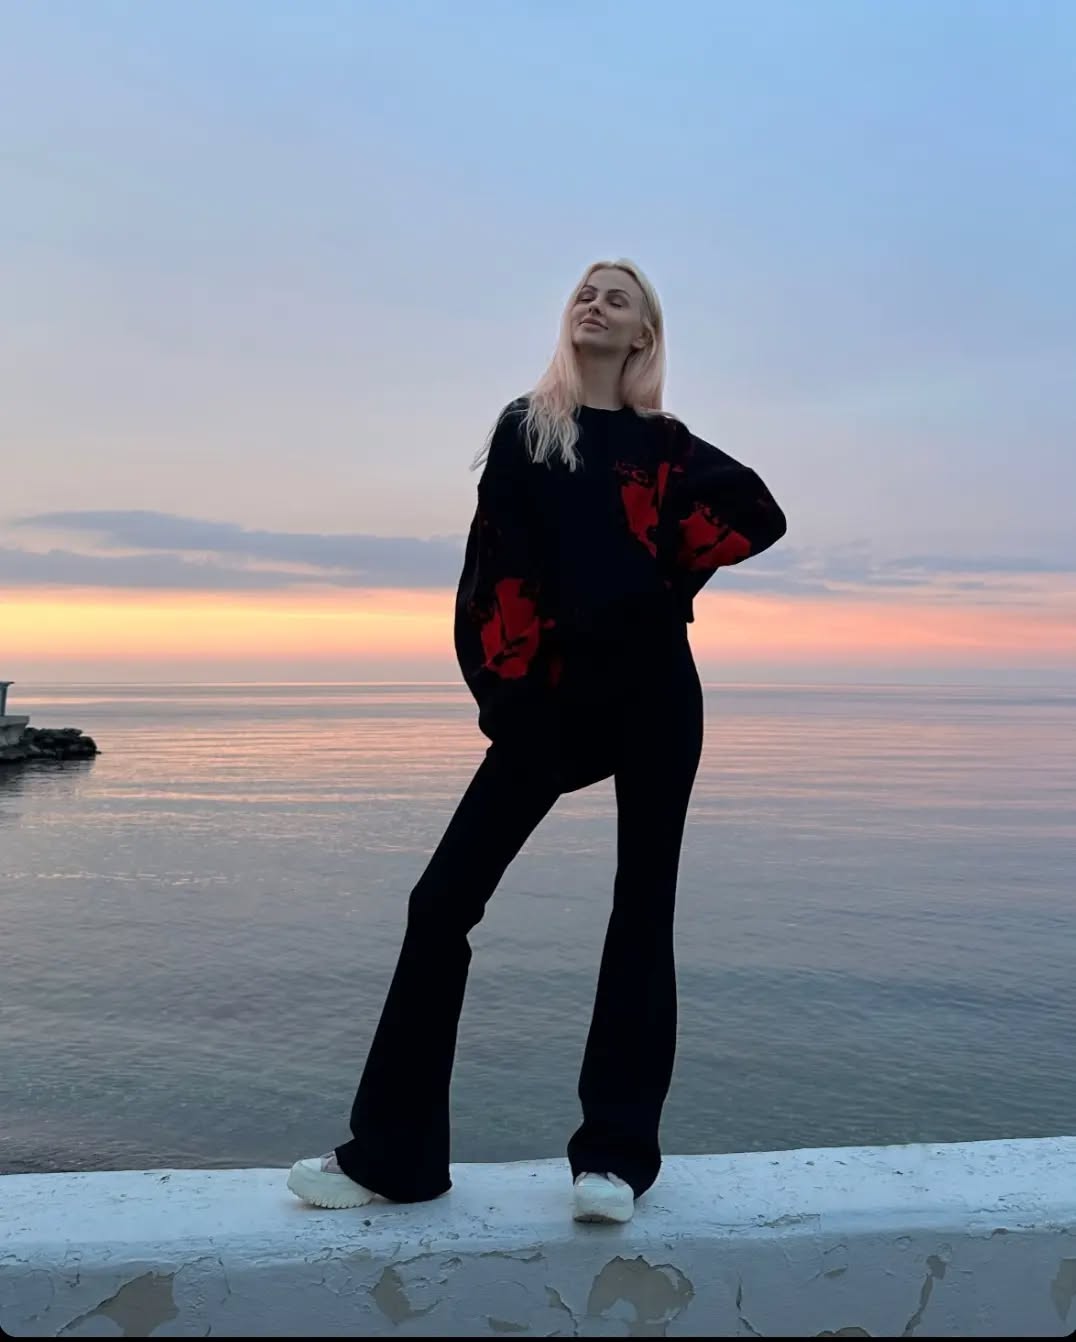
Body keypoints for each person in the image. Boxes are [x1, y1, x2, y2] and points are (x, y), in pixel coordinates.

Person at [288, 258, 787, 1223]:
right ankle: (395, 1154)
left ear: (643, 334)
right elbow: (493, 575)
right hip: (552, 702)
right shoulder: (531, 428)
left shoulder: (666, 447)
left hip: (656, 692)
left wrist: (662, 580)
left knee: (642, 911)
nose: (594, 304)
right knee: (440, 904)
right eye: (584, 294)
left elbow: (757, 512)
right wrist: (506, 698)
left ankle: (614, 1160)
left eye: (617, 297)